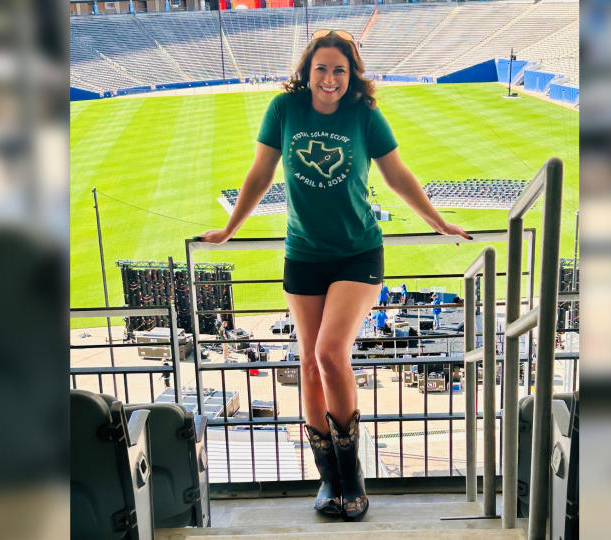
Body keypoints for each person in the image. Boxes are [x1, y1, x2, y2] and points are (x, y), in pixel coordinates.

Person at [199, 29, 471, 521]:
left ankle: (354, 475)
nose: (329, 79)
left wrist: (438, 221)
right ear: (307, 71)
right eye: (321, 69)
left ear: (352, 75)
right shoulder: (284, 111)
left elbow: (396, 174)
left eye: (339, 71)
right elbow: (260, 174)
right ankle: (329, 480)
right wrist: (231, 228)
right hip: (302, 254)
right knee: (306, 363)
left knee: (329, 353)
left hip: (357, 253)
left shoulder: (364, 115)